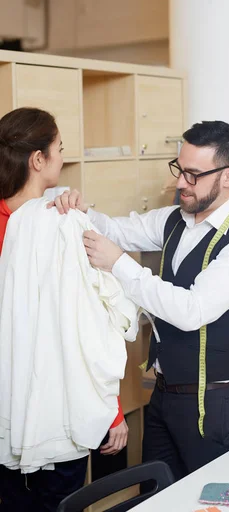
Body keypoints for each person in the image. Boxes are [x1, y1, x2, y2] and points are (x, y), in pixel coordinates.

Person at [52, 120, 229, 480]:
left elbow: (191, 311)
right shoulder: (174, 219)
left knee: (210, 501)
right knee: (154, 497)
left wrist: (119, 264)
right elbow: (117, 229)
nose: (180, 183)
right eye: (179, 169)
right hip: (163, 395)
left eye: (193, 174)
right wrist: (75, 206)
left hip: (213, 405)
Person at [0, 107, 129, 512]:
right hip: (61, 415)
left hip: (8, 412)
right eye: (59, 148)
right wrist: (113, 413)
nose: (62, 157)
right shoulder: (64, 225)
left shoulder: (41, 218)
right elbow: (91, 326)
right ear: (38, 159)